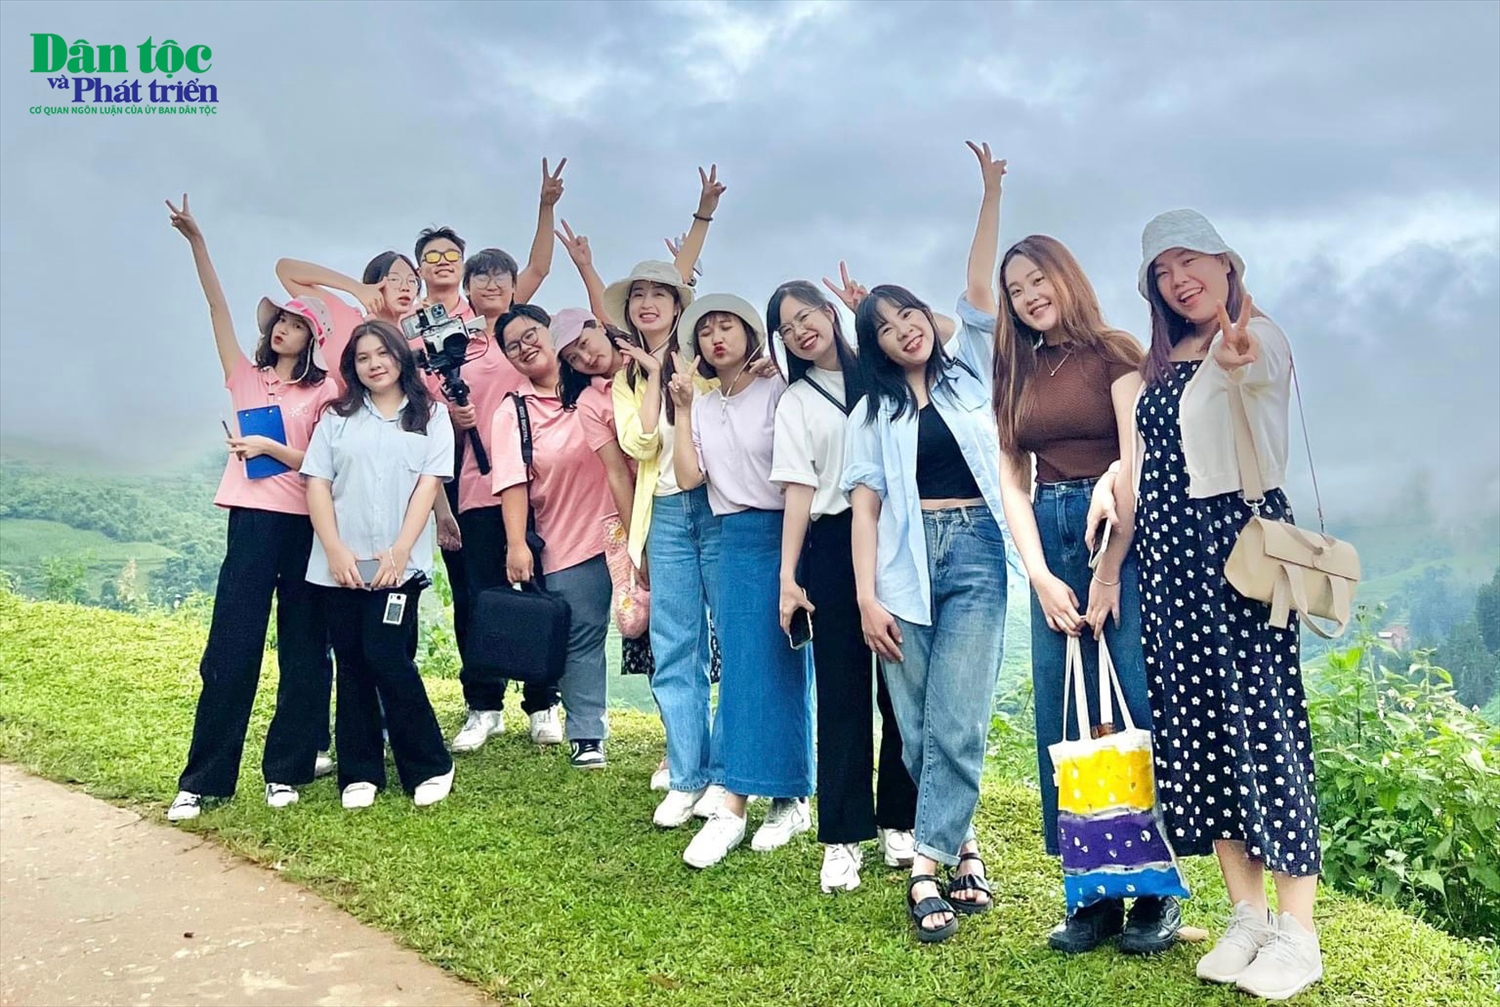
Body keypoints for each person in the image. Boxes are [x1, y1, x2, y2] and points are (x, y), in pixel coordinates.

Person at [1121, 209, 1321, 999]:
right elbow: (1150, 453)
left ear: (1226, 264)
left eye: (1190, 260)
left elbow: (1255, 367)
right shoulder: (1163, 359)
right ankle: (1247, 916)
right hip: (1170, 563)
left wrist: (1237, 356)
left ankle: (1298, 933)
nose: (1179, 279)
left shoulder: (1256, 338)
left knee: (1266, 729)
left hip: (1242, 553)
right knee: (1200, 736)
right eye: (1162, 271)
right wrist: (1111, 488)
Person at [990, 233, 1181, 952]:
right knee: (1067, 714)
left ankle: (1154, 892)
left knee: (1130, 702)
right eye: (1016, 291)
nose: (1029, 297)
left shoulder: (1114, 352)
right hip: (1050, 529)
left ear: (1065, 278)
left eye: (1038, 280)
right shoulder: (1014, 368)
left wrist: (1108, 572)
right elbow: (1013, 480)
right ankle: (1093, 892)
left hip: (1118, 533)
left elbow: (1138, 459)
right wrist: (1038, 575)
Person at [840, 142, 1010, 942]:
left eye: (908, 315)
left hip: (977, 549)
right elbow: (865, 509)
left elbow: (977, 296)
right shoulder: (870, 414)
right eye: (883, 328)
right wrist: (865, 597)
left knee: (961, 715)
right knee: (915, 722)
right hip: (902, 566)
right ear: (871, 347)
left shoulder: (969, 372)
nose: (903, 330)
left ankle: (925, 864)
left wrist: (990, 194)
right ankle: (965, 846)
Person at [164, 194, 338, 822]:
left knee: (303, 648)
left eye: (295, 323)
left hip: (306, 523)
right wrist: (198, 242)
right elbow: (216, 306)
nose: (281, 329)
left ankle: (286, 769)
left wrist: (271, 448)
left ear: (312, 338)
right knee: (231, 647)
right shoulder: (245, 376)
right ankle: (204, 780)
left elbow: (325, 464)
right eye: (278, 322)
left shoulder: (326, 391)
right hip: (252, 522)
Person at [767, 277, 918, 893]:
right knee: (841, 691)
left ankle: (899, 820)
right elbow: (799, 491)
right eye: (787, 329)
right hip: (832, 543)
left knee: (901, 688)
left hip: (897, 538)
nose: (801, 331)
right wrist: (788, 576)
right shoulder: (796, 401)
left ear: (831, 313)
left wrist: (872, 312)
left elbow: (943, 341)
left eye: (807, 316)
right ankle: (842, 836)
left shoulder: (883, 375)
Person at [605, 168, 736, 826]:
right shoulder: (627, 377)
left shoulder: (710, 360)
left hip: (719, 509)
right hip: (662, 514)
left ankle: (730, 774)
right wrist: (655, 378)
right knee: (676, 642)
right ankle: (687, 773)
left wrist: (702, 215)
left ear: (680, 305)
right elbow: (641, 442)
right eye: (639, 296)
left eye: (661, 294)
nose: (648, 302)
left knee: (734, 640)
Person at [668, 295, 816, 869]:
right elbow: (688, 477)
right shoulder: (704, 406)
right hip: (732, 537)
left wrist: (780, 367)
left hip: (784, 533)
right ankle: (750, 797)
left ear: (751, 334)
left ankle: (779, 799)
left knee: (782, 664)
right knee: (741, 668)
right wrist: (683, 409)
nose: (716, 337)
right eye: (705, 331)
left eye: (726, 325)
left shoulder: (778, 389)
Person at [302, 320, 456, 810]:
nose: (374, 364)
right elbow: (317, 483)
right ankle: (360, 771)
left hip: (397, 566)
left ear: (400, 357)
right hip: (343, 563)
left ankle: (430, 765)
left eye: (382, 353)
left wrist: (399, 551)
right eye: (363, 357)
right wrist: (334, 549)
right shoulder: (337, 417)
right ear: (353, 366)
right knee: (351, 659)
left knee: (386, 654)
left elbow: (428, 487)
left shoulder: (431, 416)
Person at [488, 304, 631, 768]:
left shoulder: (600, 384)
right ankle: (587, 734)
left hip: (636, 529)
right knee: (582, 636)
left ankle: (679, 743)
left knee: (657, 631)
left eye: (531, 334)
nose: (525, 347)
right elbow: (513, 482)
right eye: (513, 346)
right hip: (570, 539)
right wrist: (515, 544)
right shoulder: (514, 411)